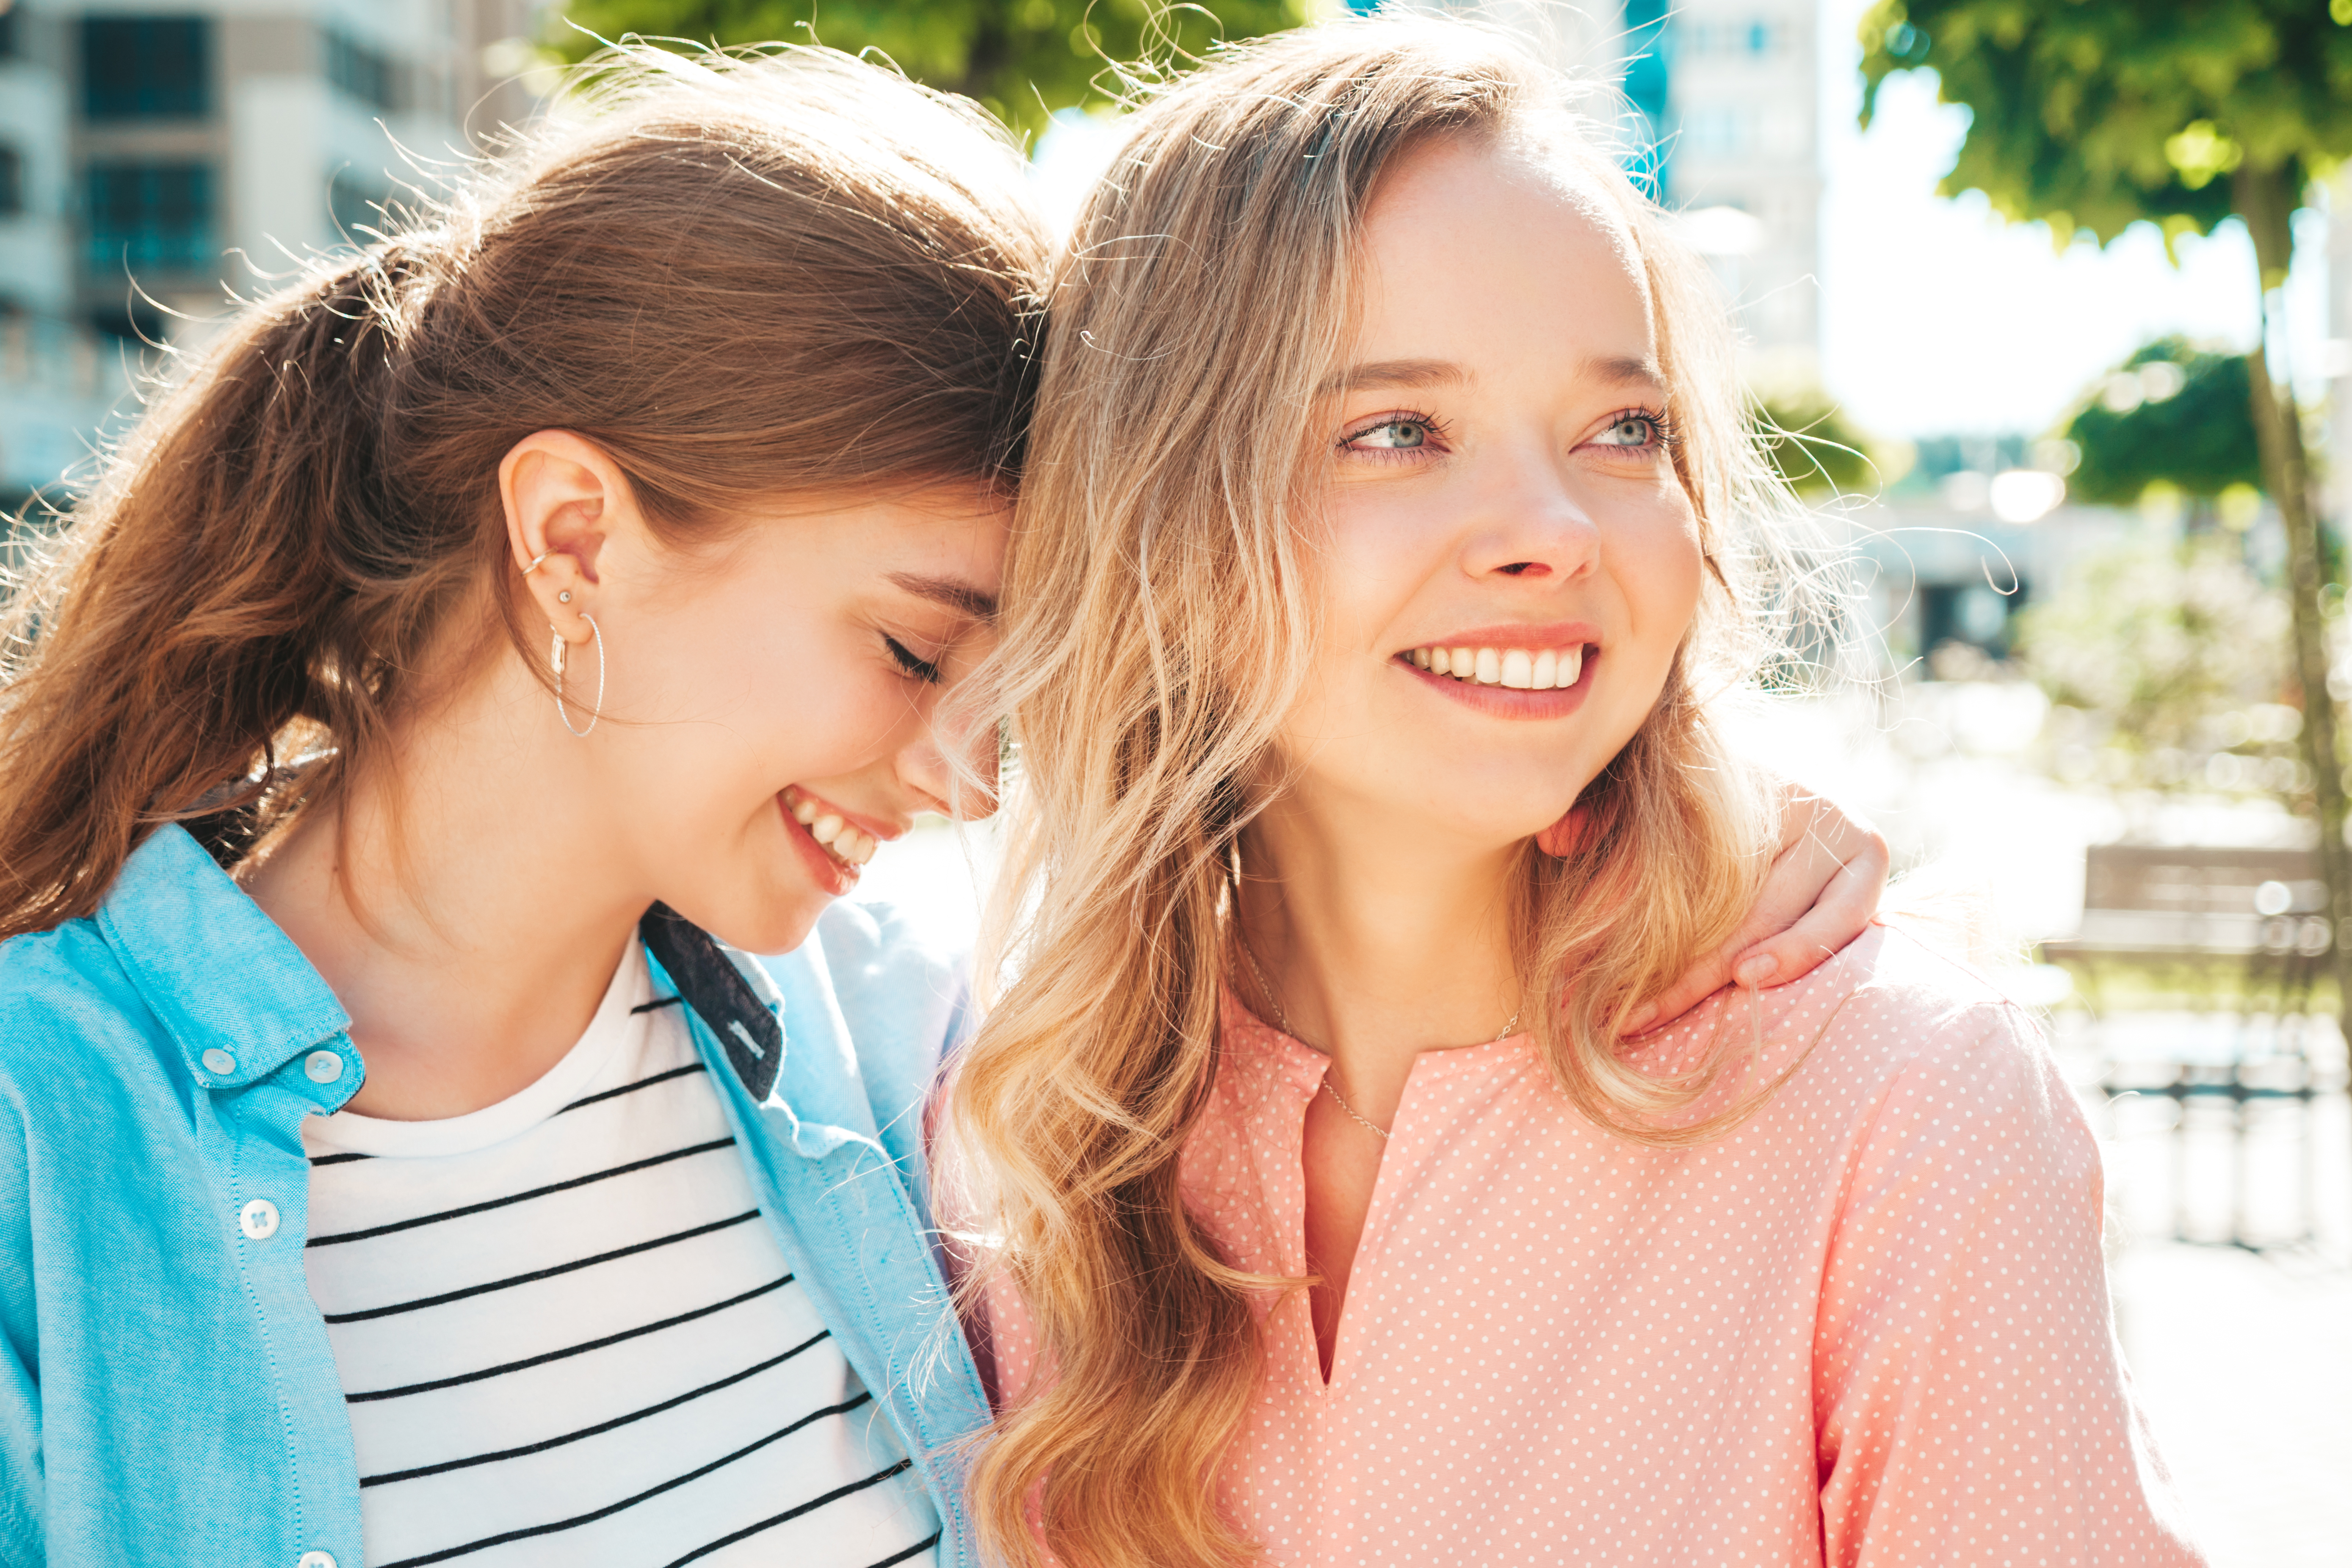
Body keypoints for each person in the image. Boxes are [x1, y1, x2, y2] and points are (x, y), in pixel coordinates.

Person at [0, 38, 1888, 1568]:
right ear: (575, 532)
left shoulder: (904, 1054)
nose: (967, 770)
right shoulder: (47, 1149)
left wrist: (1663, 797)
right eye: (916, 652)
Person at [943, 18, 2201, 1568]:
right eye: (1395, 432)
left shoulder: (1901, 1107)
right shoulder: (1023, 1145)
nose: (1553, 530)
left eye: (1624, 430)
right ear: (1157, 521)